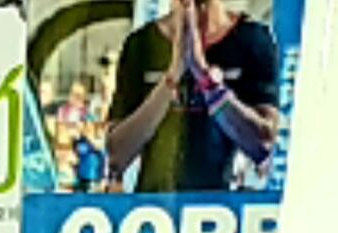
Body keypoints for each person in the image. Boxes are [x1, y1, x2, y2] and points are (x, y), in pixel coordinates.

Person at [104, 0, 282, 193]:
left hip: (223, 206)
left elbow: (263, 145)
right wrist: (173, 75)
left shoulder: (252, 40)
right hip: (155, 206)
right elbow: (117, 156)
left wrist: (207, 80)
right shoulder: (142, 44)